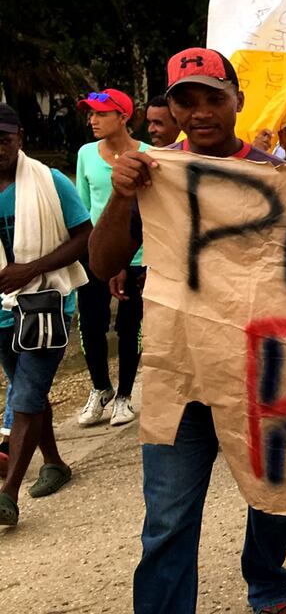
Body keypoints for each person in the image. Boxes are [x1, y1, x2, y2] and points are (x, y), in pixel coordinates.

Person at [87, 47, 286, 614]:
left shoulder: (278, 180)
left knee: (274, 497)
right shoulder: (154, 175)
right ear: (172, 108)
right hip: (181, 372)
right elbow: (104, 264)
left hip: (262, 374)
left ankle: (267, 582)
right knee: (168, 518)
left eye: (213, 97)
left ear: (238, 100)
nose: (201, 112)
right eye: (187, 101)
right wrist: (120, 194)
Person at [0, 103, 92, 527]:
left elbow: (85, 237)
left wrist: (32, 268)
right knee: (28, 392)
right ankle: (54, 462)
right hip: (2, 312)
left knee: (25, 393)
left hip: (46, 303)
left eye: (5, 139)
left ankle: (7, 496)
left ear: (21, 138)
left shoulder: (49, 181)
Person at [74, 88, 149, 428]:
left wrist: (127, 257)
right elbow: (83, 209)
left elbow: (152, 212)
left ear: (123, 117)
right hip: (96, 255)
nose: (92, 120)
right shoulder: (86, 154)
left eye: (101, 114)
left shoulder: (148, 154)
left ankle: (125, 395)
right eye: (90, 114)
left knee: (129, 326)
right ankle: (100, 388)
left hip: (137, 256)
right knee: (90, 324)